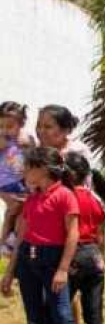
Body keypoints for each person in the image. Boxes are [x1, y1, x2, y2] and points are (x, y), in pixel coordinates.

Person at [1, 147, 101, 324]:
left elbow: (73, 234)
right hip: (29, 261)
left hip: (53, 260)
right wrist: (10, 271)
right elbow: (22, 236)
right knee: (34, 319)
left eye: (27, 168)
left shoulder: (66, 196)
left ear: (42, 170)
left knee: (63, 317)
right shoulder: (32, 198)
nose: (23, 173)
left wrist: (63, 269)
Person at [44, 153, 105, 324]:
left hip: (70, 255)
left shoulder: (63, 197)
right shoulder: (94, 199)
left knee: (56, 311)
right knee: (94, 313)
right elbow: (100, 235)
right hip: (93, 257)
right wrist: (102, 259)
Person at [1, 101, 35, 255]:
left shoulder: (27, 139)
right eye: (1, 126)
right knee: (13, 208)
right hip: (4, 184)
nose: (4, 130)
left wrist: (28, 146)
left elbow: (35, 154)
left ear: (21, 124)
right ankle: (3, 241)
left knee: (24, 211)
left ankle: (14, 239)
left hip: (22, 183)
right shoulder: (2, 140)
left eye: (9, 126)